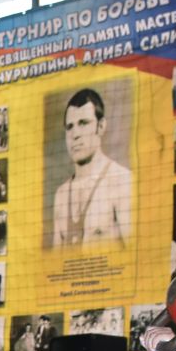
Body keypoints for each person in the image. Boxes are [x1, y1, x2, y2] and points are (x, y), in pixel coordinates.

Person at [52, 89, 133, 247]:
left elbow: (137, 257)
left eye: (83, 123)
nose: (75, 134)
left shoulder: (122, 181)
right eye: (69, 127)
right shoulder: (61, 195)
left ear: (101, 126)